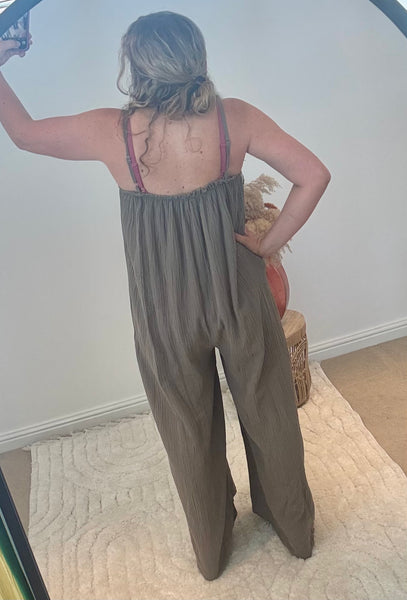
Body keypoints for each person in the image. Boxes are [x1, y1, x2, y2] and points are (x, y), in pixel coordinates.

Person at [0, 11, 331, 581]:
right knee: (269, 408)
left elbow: (24, 133)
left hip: (164, 308)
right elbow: (314, 174)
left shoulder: (111, 131)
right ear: (195, 57)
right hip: (237, 291)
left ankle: (212, 548)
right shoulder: (234, 118)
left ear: (136, 64)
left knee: (186, 423)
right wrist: (268, 243)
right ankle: (293, 529)